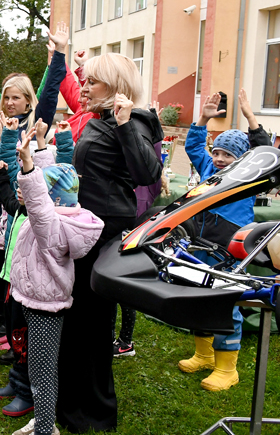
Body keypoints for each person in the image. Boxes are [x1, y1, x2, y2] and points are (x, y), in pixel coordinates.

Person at [56, 52, 163, 433]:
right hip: (84, 227)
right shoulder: (99, 120)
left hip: (104, 232)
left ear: (116, 87)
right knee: (78, 318)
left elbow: (147, 173)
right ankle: (72, 404)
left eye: (92, 82)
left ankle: (96, 411)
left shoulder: (135, 120)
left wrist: (124, 124)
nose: (84, 88)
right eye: (84, 81)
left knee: (94, 321)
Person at [0, 126, 103, 435]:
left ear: (49, 198)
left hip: (44, 308)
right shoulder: (61, 213)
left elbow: (39, 203)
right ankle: (43, 421)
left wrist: (28, 165)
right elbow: (50, 184)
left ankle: (44, 429)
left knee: (42, 373)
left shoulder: (51, 227)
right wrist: (41, 146)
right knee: (37, 367)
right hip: (34, 300)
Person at [0, 24, 67, 332]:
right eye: (7, 98)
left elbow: (50, 89)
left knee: (18, 260)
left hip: (22, 205)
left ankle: (16, 316)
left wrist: (59, 54)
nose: (9, 103)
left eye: (16, 98)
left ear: (27, 101)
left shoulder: (37, 121)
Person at [177, 91, 252, 392]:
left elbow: (261, 151)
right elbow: (194, 147)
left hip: (228, 252)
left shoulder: (247, 178)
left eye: (227, 155)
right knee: (199, 298)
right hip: (201, 246)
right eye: (217, 152)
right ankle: (204, 354)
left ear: (241, 160)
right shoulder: (209, 169)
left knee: (224, 303)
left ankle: (227, 368)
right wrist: (203, 118)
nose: (219, 159)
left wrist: (251, 117)